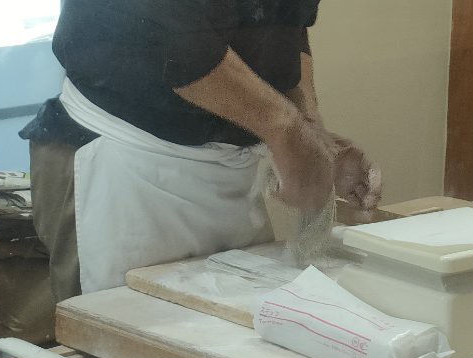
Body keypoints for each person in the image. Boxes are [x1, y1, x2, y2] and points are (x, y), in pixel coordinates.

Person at [20, 0, 381, 302]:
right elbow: (171, 38)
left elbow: (287, 20)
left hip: (229, 175)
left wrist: (311, 133)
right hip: (128, 163)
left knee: (238, 337)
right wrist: (285, 131)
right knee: (132, 340)